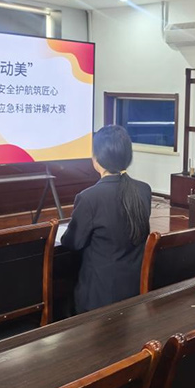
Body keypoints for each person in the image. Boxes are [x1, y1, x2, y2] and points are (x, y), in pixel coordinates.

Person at [61, 125, 151, 313]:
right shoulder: (144, 190)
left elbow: (72, 242)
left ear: (96, 158)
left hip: (99, 296)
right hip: (135, 290)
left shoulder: (89, 198)